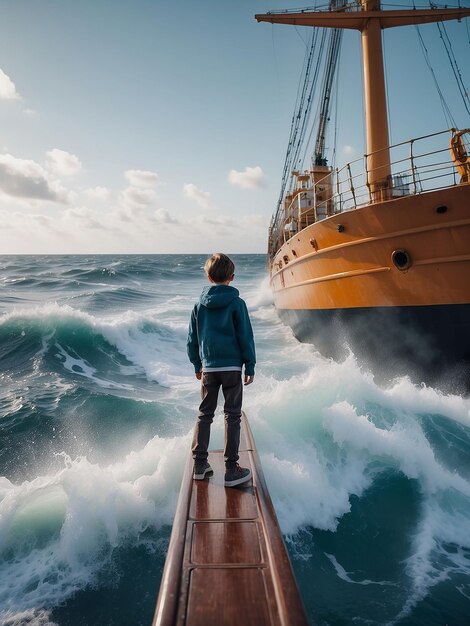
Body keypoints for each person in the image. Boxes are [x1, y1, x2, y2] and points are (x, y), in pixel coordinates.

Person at [187, 253, 256, 487]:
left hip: (209, 368)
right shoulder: (237, 304)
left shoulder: (199, 305)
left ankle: (199, 465)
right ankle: (231, 469)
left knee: (204, 414)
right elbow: (245, 337)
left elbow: (192, 340)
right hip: (232, 368)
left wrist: (198, 365)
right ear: (232, 277)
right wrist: (250, 365)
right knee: (232, 415)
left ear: (208, 277)